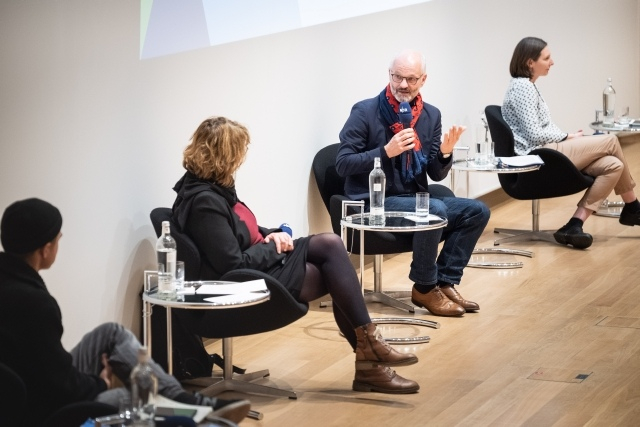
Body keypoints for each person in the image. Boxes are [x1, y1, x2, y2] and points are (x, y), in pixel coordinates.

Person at [171, 116, 420, 395]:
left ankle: (371, 353)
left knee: (330, 247)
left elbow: (238, 230)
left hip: (258, 262)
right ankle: (371, 361)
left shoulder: (212, 187)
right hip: (241, 281)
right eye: (239, 151)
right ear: (224, 155)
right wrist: (274, 246)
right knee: (333, 266)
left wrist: (272, 233)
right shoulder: (205, 201)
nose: (241, 158)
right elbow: (232, 263)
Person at [0, 198, 251, 425]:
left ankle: (184, 399)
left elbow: (45, 366)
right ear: (45, 249)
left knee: (110, 333)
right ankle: (198, 417)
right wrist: (100, 382)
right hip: (39, 410)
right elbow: (57, 386)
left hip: (28, 389)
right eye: (58, 240)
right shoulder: (33, 304)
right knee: (132, 396)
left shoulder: (10, 283)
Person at [336, 49, 490, 317]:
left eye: (411, 79)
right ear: (389, 75)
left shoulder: (430, 116)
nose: (403, 85)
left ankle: (444, 281)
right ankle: (424, 286)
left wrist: (444, 153)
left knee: (477, 211)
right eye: (397, 77)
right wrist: (385, 152)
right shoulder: (365, 111)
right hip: (374, 202)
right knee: (432, 210)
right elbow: (343, 163)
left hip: (411, 197)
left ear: (423, 80)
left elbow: (435, 174)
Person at [502, 37, 640, 249]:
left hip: (547, 150)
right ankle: (633, 207)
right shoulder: (523, 87)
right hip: (539, 154)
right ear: (530, 62)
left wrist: (567, 136)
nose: (552, 62)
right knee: (611, 140)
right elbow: (534, 134)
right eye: (547, 58)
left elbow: (541, 129)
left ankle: (574, 225)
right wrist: (565, 137)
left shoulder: (527, 86)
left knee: (614, 165)